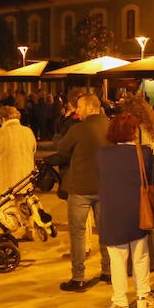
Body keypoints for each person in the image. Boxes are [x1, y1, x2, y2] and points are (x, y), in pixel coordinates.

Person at [46, 92, 111, 290]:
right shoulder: (111, 126)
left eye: (80, 107)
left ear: (90, 108)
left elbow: (62, 149)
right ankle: (108, 271)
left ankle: (78, 276)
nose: (77, 111)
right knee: (106, 232)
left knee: (78, 233)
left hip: (81, 188)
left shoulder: (79, 129)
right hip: (106, 187)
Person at [96, 112, 154, 308]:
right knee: (140, 256)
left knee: (117, 259)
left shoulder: (102, 155)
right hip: (137, 211)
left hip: (113, 212)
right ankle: (142, 296)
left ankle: (120, 302)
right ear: (134, 132)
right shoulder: (145, 153)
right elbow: (149, 180)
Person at [0, 105, 38, 196]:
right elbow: (33, 150)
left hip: (4, 184)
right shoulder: (28, 132)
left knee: (5, 208)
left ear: (3, 118)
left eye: (0, 121)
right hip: (25, 182)